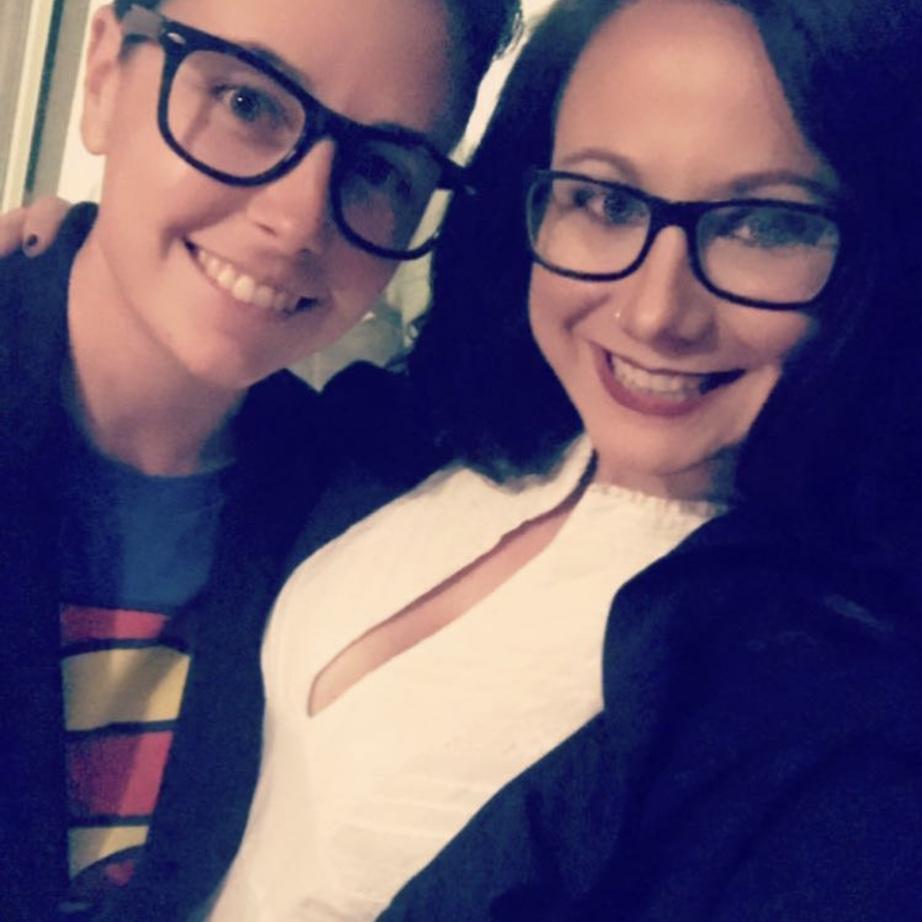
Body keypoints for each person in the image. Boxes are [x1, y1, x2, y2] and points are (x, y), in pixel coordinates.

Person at [198, 0, 922, 918]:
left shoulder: (831, 706)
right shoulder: (473, 440)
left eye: (768, 225)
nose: (656, 312)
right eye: (606, 202)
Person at [0, 1, 519, 919]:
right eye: (247, 103)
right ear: (104, 74)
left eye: (379, 168)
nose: (298, 219)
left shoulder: (363, 521)